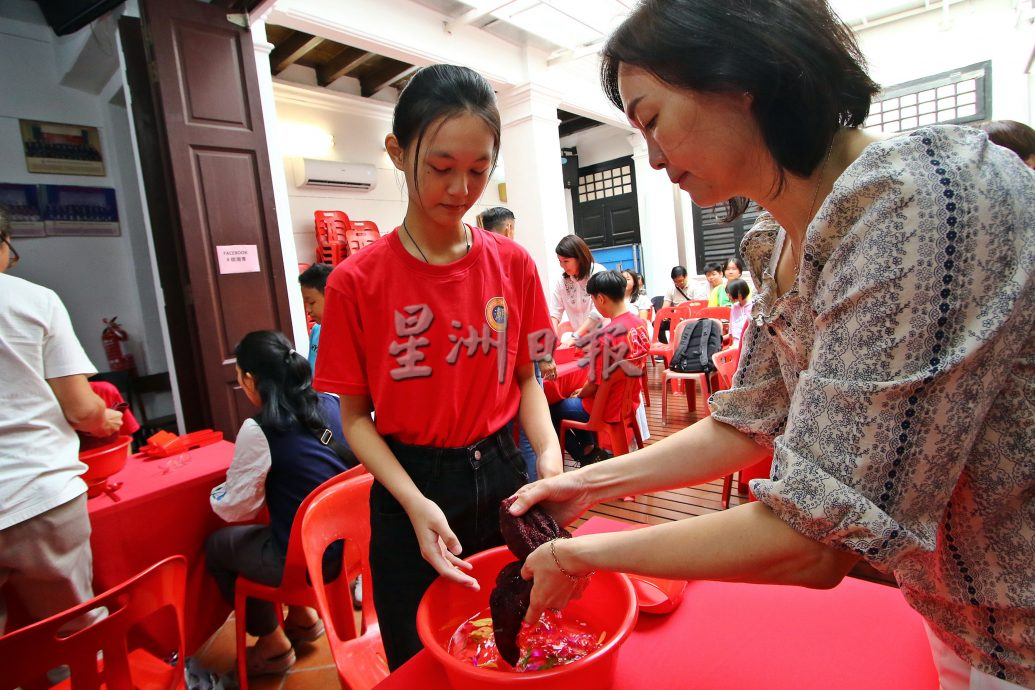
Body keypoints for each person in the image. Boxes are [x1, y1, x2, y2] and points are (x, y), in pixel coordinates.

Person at [507, 1, 1035, 688]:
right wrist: (584, 481)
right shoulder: (778, 239)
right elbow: (749, 420)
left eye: (652, 119)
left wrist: (583, 558)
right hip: (959, 612)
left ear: (737, 78)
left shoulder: (919, 204)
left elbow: (812, 542)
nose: (654, 156)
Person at [312, 64, 562, 670]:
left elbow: (532, 374)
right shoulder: (355, 282)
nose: (460, 189)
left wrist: (550, 460)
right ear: (398, 153)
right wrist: (415, 501)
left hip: (507, 469)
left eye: (479, 171)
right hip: (411, 486)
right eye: (442, 167)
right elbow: (353, 417)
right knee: (422, 658)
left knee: (517, 643)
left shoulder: (515, 265)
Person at [0, 207, 123, 641]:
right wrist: (104, 417)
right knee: (73, 637)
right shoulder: (31, 301)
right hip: (36, 492)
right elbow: (81, 409)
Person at [206, 330, 356, 677]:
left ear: (248, 379)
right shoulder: (332, 403)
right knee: (274, 529)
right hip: (350, 549)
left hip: (307, 564)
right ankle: (304, 618)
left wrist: (217, 492)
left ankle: (273, 643)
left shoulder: (260, 429)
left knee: (220, 546)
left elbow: (235, 508)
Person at [480, 205, 554, 480]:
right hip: (521, 354)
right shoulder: (516, 257)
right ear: (510, 228)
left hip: (488, 356)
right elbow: (534, 315)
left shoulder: (472, 258)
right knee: (529, 432)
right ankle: (536, 488)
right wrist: (545, 357)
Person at [549, 270, 650, 466]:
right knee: (573, 400)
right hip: (629, 402)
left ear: (601, 298)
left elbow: (593, 386)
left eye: (593, 301)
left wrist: (579, 394)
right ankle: (590, 449)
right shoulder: (640, 325)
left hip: (606, 408)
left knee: (551, 409)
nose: (594, 305)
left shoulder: (606, 337)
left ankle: (585, 456)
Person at [550, 234, 607, 345]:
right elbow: (555, 313)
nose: (562, 265)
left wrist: (576, 336)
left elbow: (598, 312)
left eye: (566, 261)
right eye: (560, 261)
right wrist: (553, 338)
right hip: (580, 340)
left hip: (603, 338)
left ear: (580, 257)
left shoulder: (597, 273)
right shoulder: (562, 281)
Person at [298, 263, 333, 370]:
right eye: (306, 303)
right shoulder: (317, 330)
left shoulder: (350, 335)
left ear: (331, 297)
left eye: (312, 303)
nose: (308, 310)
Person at [658, 265, 698, 343]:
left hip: (691, 317)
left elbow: (698, 306)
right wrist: (665, 315)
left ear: (686, 276)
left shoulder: (695, 286)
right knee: (658, 323)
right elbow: (665, 307)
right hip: (676, 317)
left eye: (681, 280)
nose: (679, 283)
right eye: (676, 281)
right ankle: (665, 345)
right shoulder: (671, 289)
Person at [725, 278, 751, 347]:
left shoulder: (752, 307)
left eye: (730, 294)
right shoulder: (734, 307)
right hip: (736, 342)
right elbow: (731, 327)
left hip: (748, 342)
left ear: (739, 294)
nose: (728, 297)